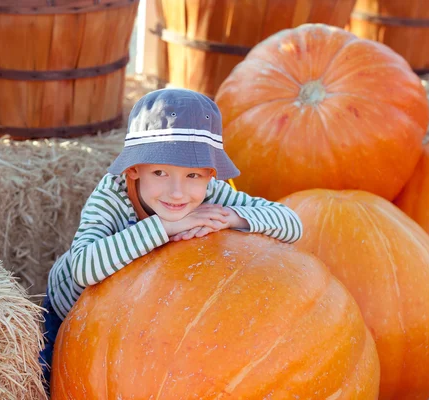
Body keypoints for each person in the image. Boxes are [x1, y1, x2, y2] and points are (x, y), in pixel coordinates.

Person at [40, 88, 303, 384]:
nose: (177, 192)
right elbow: (84, 268)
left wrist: (232, 217)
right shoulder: (112, 195)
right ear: (135, 169)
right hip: (71, 314)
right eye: (161, 173)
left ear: (210, 175)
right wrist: (165, 226)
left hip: (137, 317)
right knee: (51, 379)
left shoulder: (211, 194)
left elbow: (292, 224)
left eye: (192, 175)